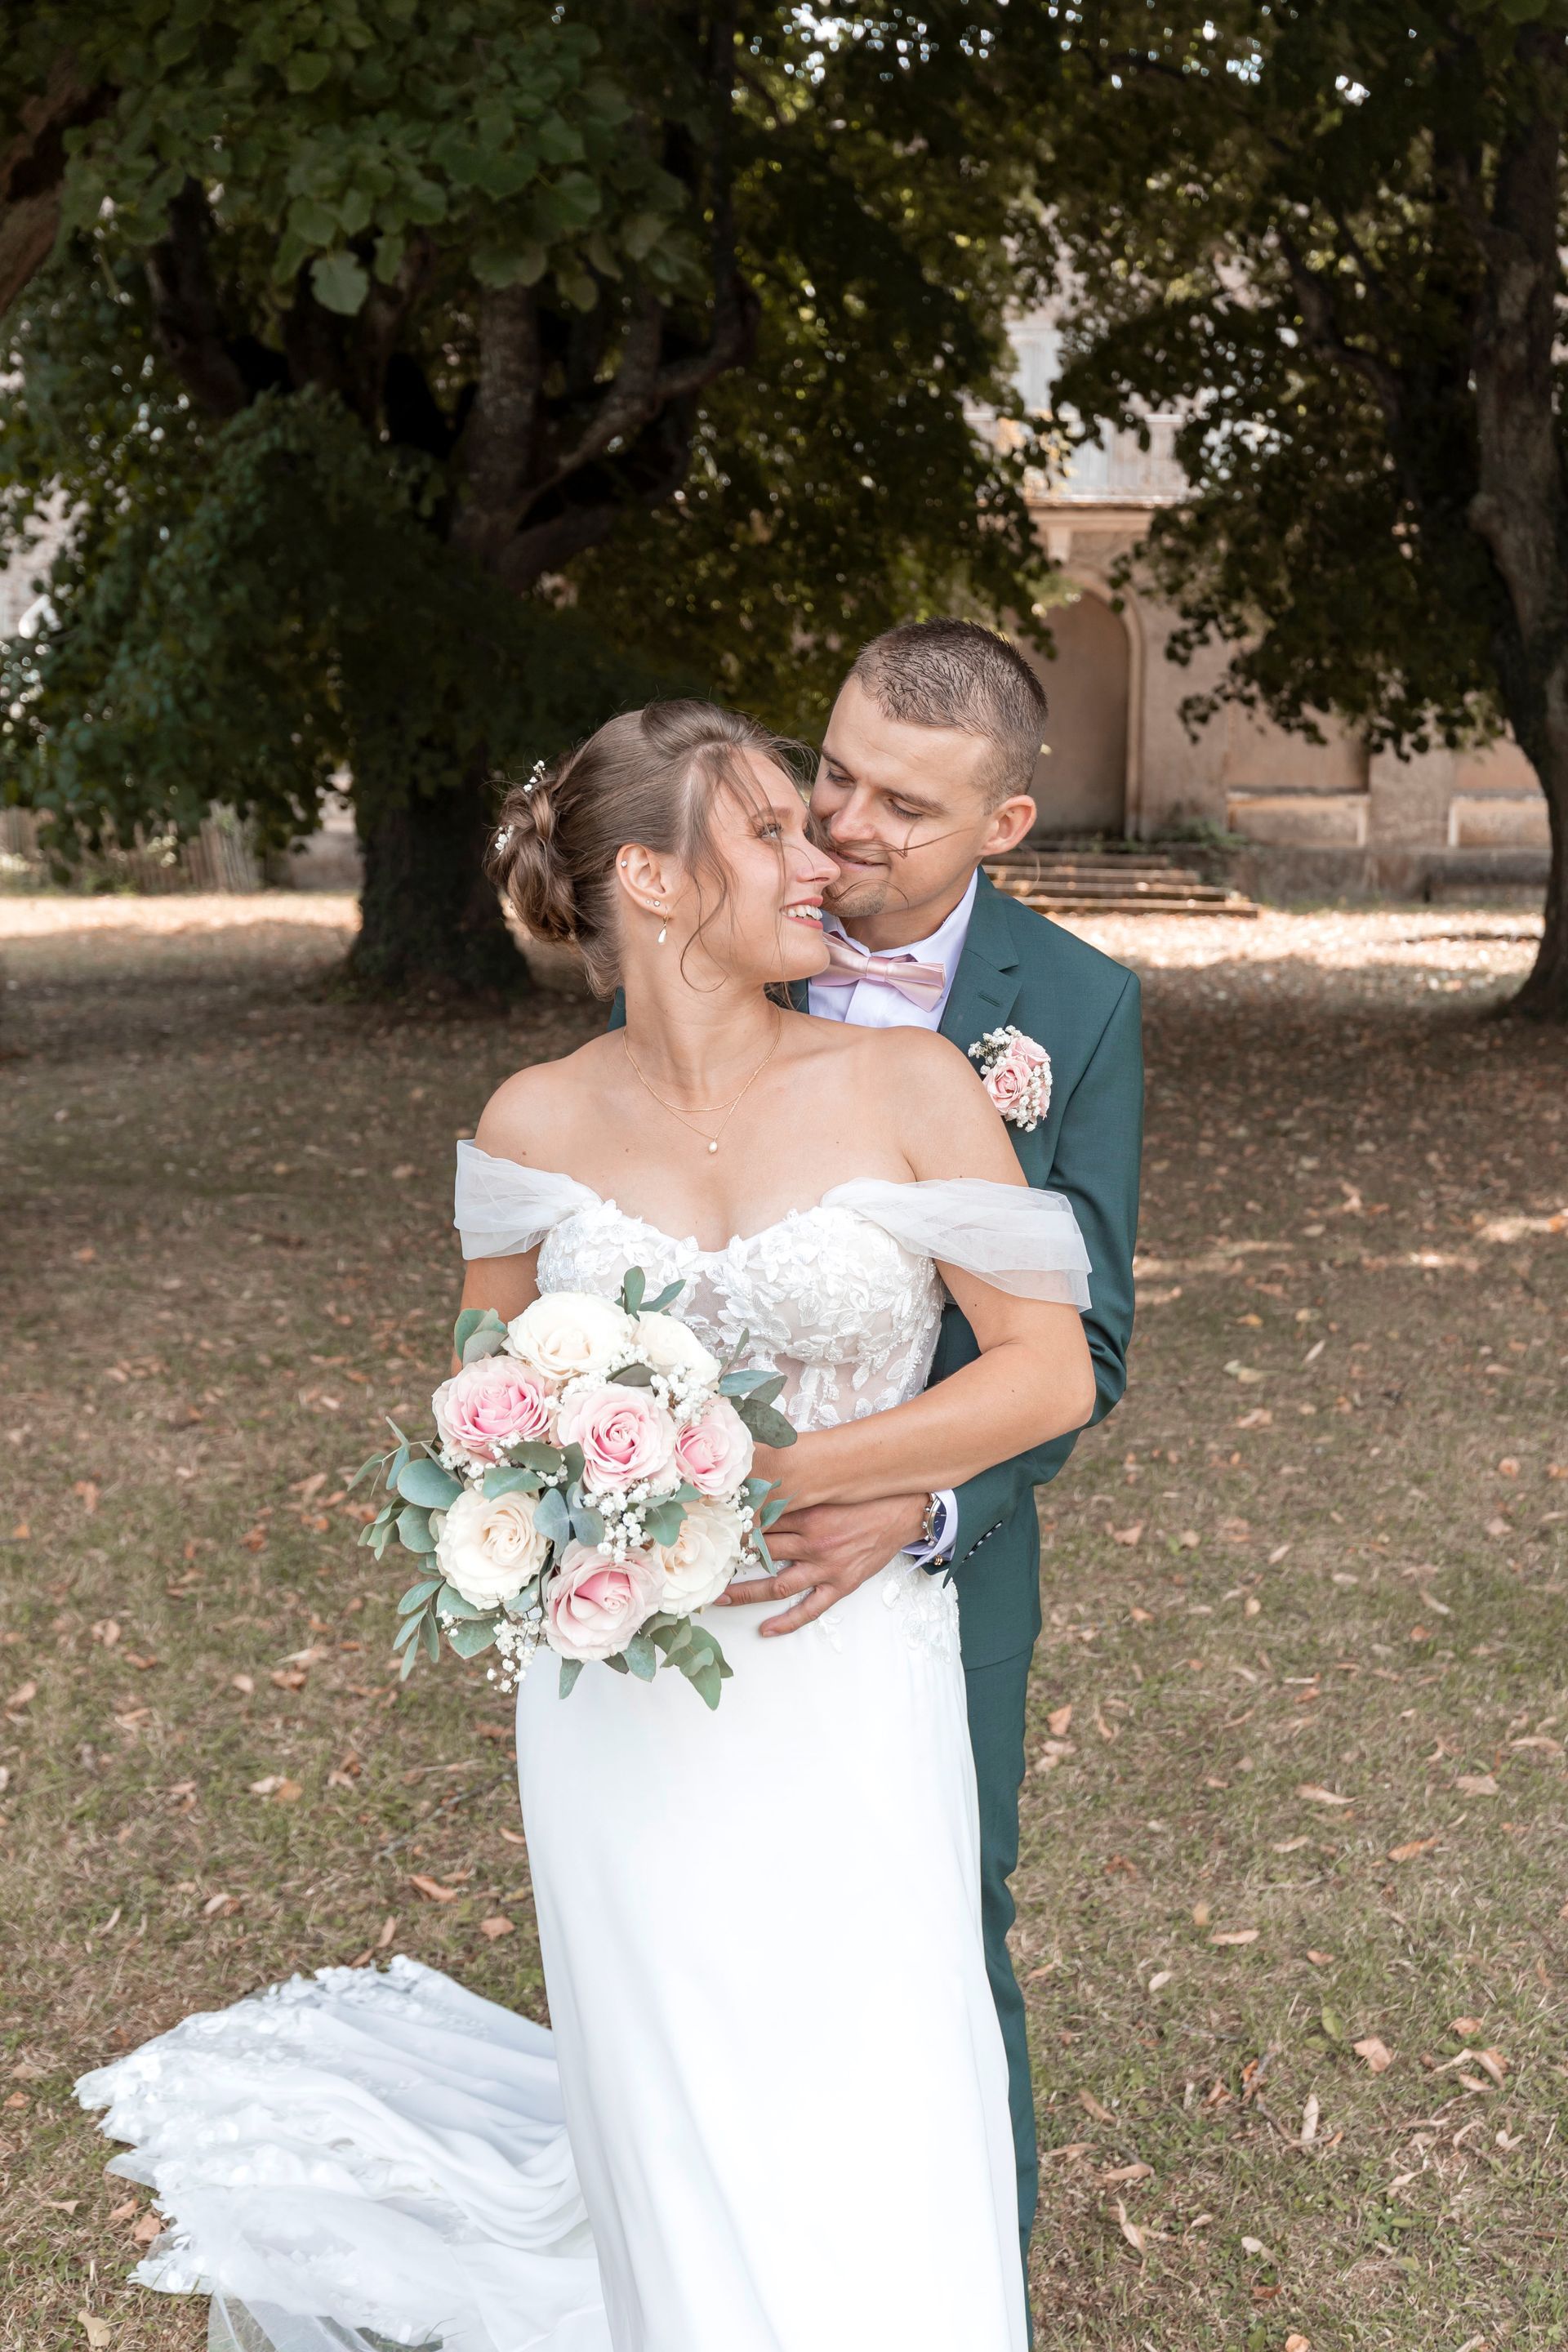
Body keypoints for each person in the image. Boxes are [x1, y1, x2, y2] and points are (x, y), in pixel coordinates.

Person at [78, 696, 1102, 2352]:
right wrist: (571, 1489)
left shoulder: (910, 1083)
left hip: (846, 1663)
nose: (823, 855)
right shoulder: (533, 1121)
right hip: (624, 1690)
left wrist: (775, 1473)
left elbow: (1047, 1372)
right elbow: (481, 1403)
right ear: (652, 876)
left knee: (872, 2051)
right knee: (669, 2061)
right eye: (771, 828)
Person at [710, 620, 1144, 2279]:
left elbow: (1088, 1346)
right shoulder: (724, 931)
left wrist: (926, 1501)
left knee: (946, 1913)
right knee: (719, 1915)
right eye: (833, 775)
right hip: (705, 1544)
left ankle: (968, 2277)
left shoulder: (1078, 1012)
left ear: (1003, 826)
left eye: (905, 805)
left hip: (944, 1571)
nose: (843, 826)